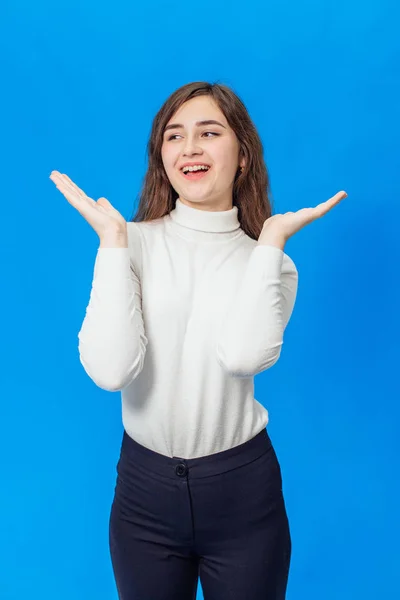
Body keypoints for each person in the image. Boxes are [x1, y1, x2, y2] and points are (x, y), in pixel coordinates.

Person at [49, 81, 347, 600]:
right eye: (174, 136)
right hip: (143, 492)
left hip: (242, 492)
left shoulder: (272, 264)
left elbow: (245, 356)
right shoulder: (129, 243)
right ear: (160, 156)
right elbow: (110, 370)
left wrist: (271, 242)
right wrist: (115, 244)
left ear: (243, 156)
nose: (190, 148)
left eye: (209, 133)